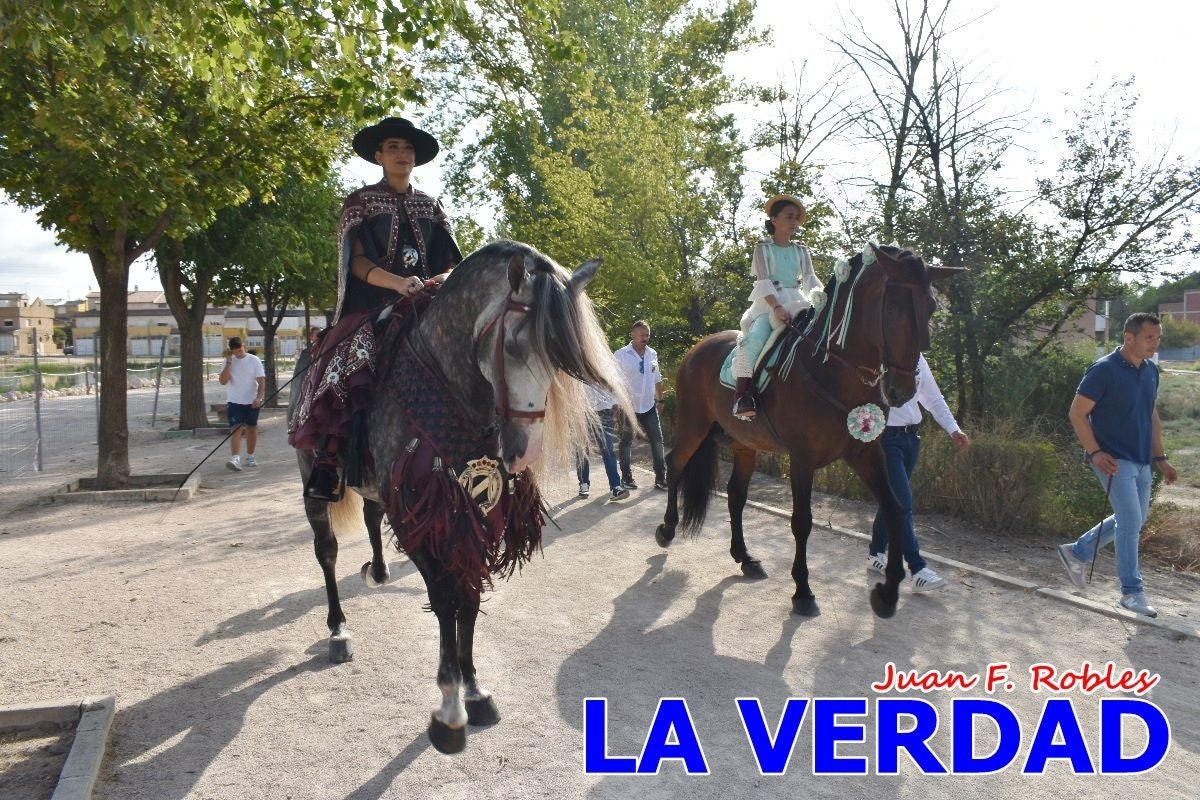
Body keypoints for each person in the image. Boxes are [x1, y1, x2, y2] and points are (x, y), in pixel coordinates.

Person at [288, 117, 462, 501]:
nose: (403, 154)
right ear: (379, 155)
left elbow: (449, 262)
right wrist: (398, 283)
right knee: (345, 364)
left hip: (428, 304)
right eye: (395, 147)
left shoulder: (431, 206)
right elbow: (357, 262)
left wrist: (440, 280)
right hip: (371, 305)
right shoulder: (361, 202)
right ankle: (329, 461)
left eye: (409, 148)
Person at [1056, 313, 1178, 618]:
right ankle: (1131, 592)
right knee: (1129, 522)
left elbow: (1151, 416)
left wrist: (1160, 458)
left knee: (1134, 519)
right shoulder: (1104, 370)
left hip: (1141, 460)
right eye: (1150, 337)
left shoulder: (1151, 370)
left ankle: (1078, 551)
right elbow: (1077, 414)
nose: (1155, 343)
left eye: (1158, 338)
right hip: (1112, 459)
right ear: (1128, 337)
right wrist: (1095, 452)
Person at [866, 354, 970, 592]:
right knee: (901, 502)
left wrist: (954, 429)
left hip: (911, 439)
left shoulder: (916, 358)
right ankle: (917, 569)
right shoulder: (875, 354)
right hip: (885, 439)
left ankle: (875, 552)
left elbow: (933, 398)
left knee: (894, 501)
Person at [731, 194, 823, 419]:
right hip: (768, 304)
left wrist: (821, 299)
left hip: (799, 301)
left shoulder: (801, 250)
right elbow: (763, 281)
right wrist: (777, 308)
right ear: (774, 219)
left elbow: (810, 279)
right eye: (789, 217)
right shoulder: (763, 246)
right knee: (754, 341)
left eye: (797, 219)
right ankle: (742, 396)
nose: (794, 223)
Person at [614, 320, 667, 491]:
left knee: (657, 441)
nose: (645, 338)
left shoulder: (652, 354)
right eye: (642, 335)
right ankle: (626, 477)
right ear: (632, 335)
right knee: (626, 441)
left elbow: (657, 378)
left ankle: (661, 478)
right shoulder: (621, 354)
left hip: (649, 406)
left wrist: (660, 400)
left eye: (647, 335)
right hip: (628, 407)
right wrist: (616, 403)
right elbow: (613, 381)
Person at [575, 383, 631, 502]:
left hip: (605, 409)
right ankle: (583, 483)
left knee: (608, 450)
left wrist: (616, 405)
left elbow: (613, 381)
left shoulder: (606, 364)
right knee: (582, 449)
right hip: (581, 410)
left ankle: (615, 487)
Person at [220, 336, 265, 471]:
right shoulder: (228, 361)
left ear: (243, 346)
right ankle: (235, 459)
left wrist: (259, 398)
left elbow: (262, 381)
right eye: (235, 351)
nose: (238, 353)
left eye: (240, 350)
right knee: (236, 429)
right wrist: (228, 361)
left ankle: (250, 456)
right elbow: (223, 381)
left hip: (251, 401)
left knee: (251, 429)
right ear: (231, 351)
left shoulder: (254, 360)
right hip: (234, 401)